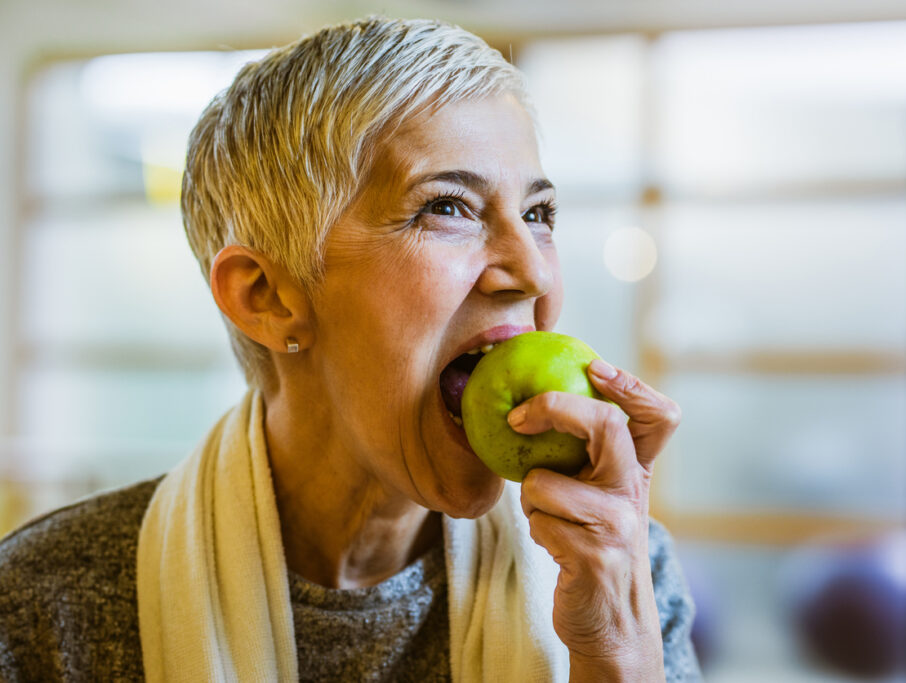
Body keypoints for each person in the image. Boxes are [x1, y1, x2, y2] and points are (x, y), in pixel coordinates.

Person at [0, 16, 702, 682]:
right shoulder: (45, 608)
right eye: (447, 206)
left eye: (538, 214)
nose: (534, 271)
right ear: (265, 296)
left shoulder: (615, 566)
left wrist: (615, 648)